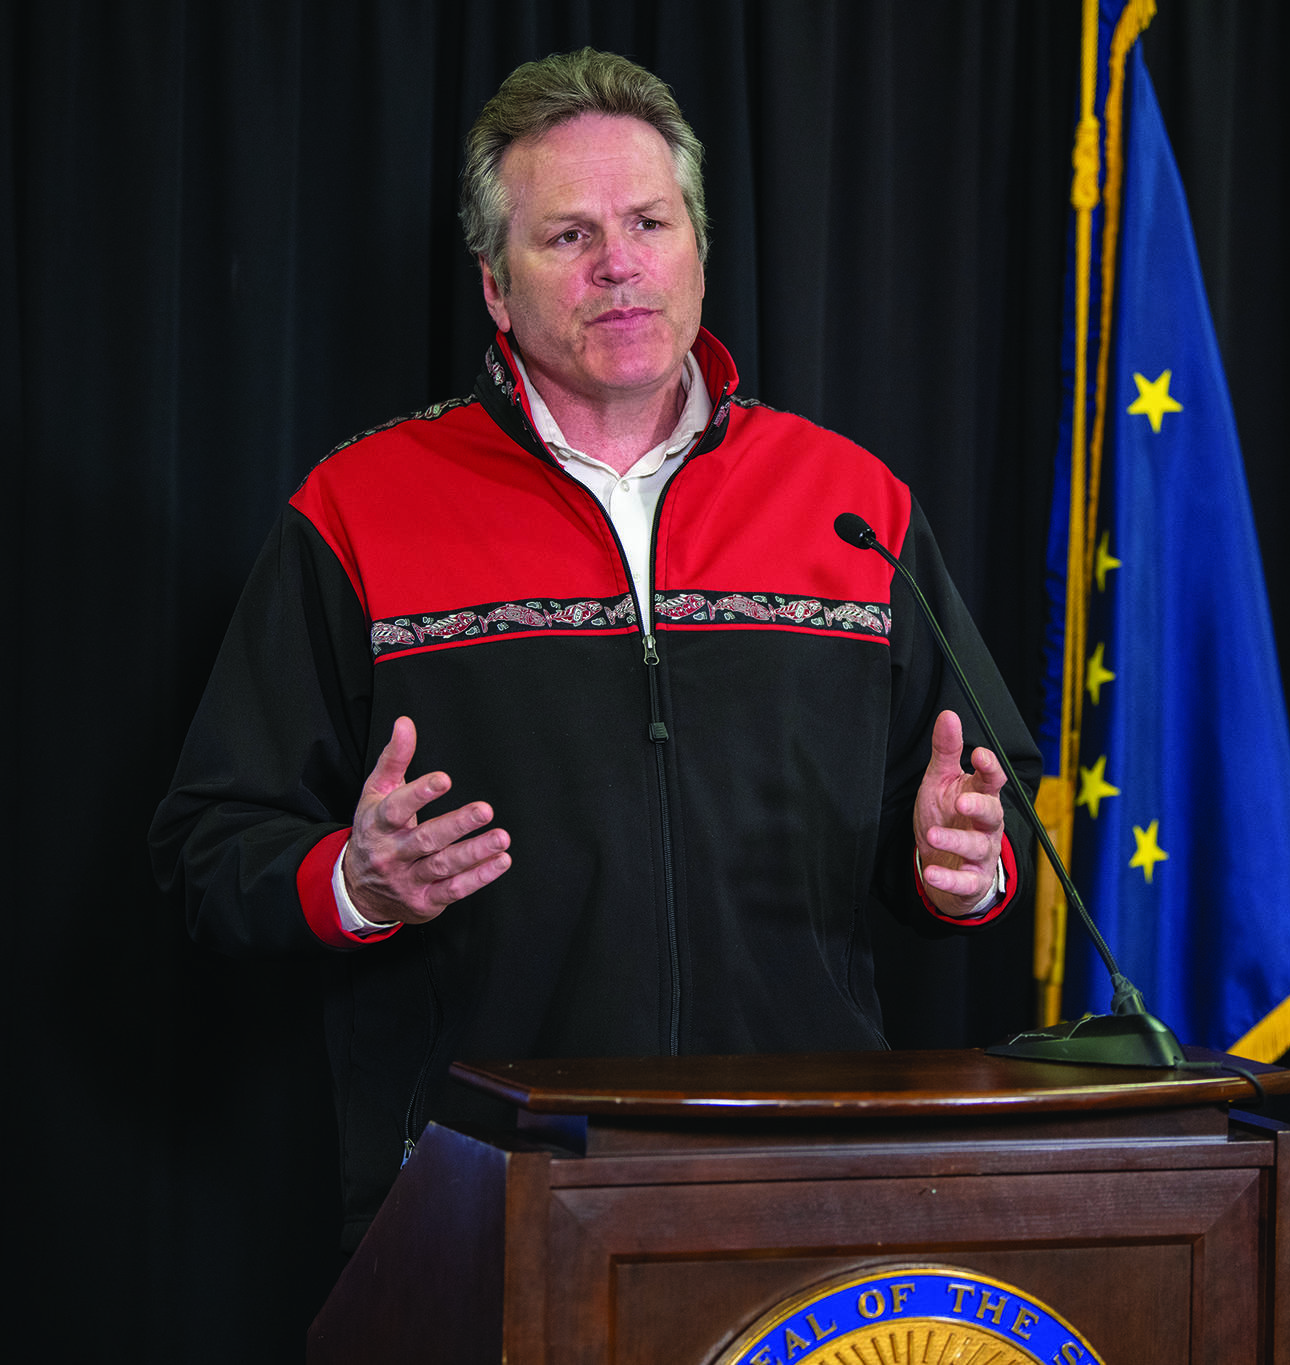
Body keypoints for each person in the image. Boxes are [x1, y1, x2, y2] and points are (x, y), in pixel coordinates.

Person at [149, 48, 1036, 1251]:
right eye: (566, 236)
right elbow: (208, 848)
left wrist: (960, 871)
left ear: (699, 252)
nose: (618, 264)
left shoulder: (851, 500)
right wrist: (357, 884)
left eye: (647, 223)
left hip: (804, 1179)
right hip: (486, 1195)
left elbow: (973, 826)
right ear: (495, 289)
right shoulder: (358, 510)